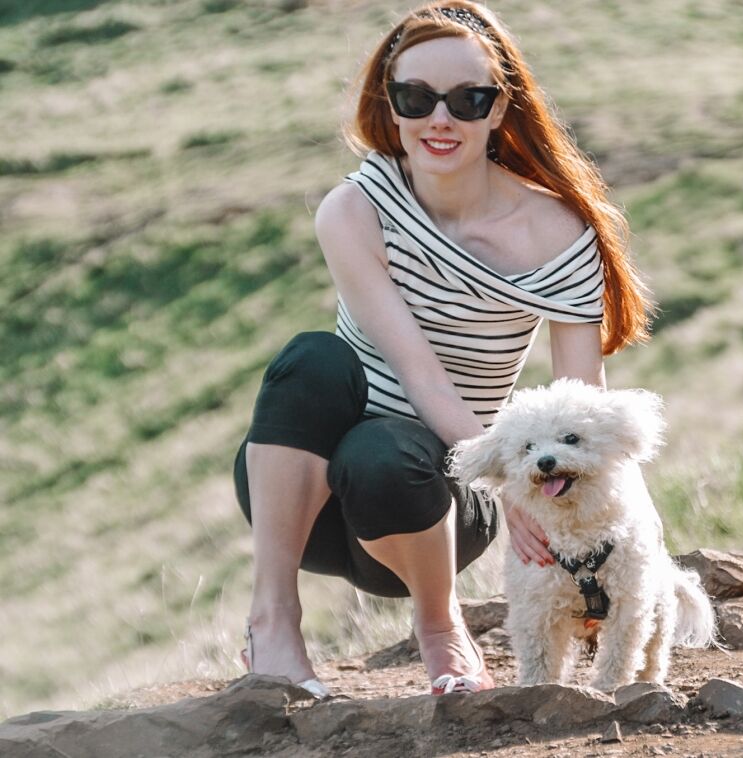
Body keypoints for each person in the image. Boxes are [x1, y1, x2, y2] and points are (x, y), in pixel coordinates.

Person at [233, 0, 652, 697]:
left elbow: (584, 407)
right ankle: (272, 623)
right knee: (312, 361)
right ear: (390, 106)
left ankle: (440, 625)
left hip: (443, 499)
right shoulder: (354, 209)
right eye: (416, 98)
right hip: (310, 509)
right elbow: (416, 371)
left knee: (384, 452)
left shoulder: (557, 232)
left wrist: (547, 506)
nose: (440, 119)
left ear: (499, 108)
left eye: (467, 100)